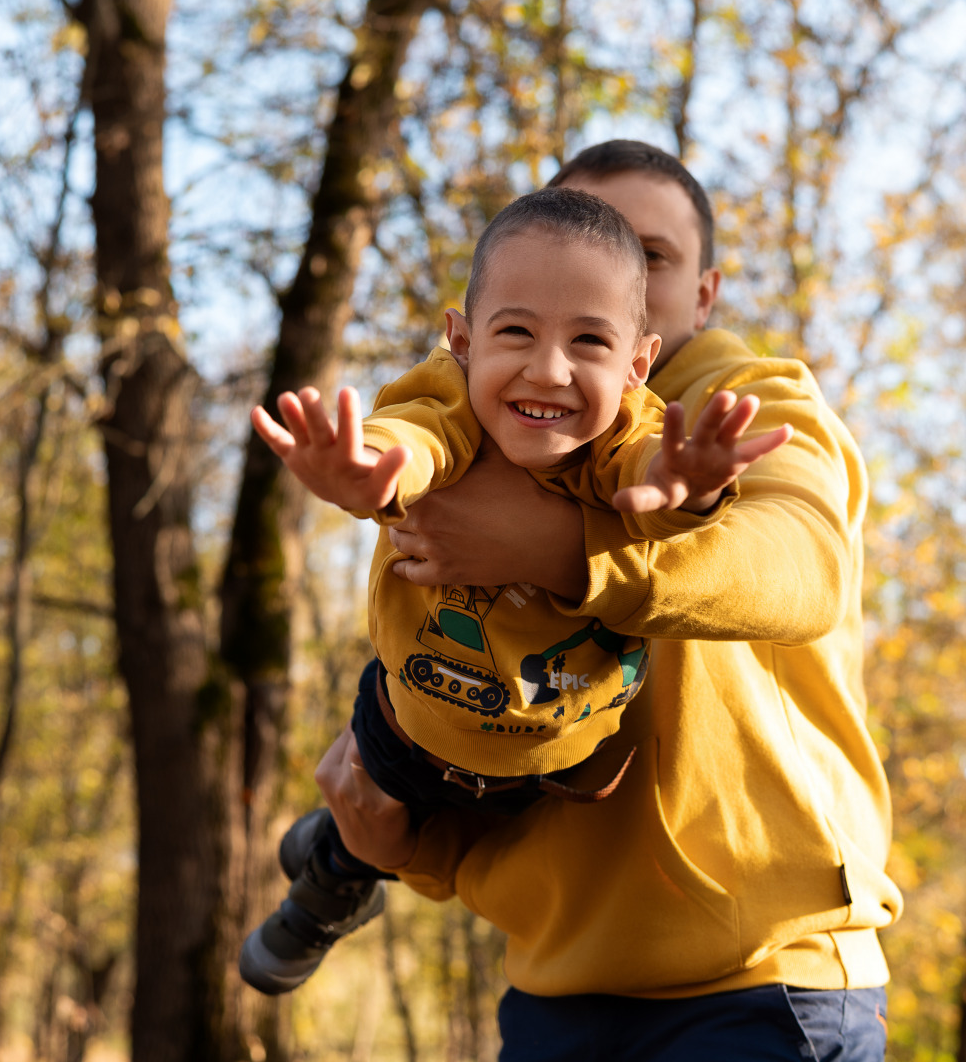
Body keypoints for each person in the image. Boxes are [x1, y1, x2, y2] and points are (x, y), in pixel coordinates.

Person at [316, 141, 902, 1061]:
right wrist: (408, 844)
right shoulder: (476, 437)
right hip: (556, 989)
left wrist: (563, 551)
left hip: (761, 978)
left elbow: (801, 571)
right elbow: (499, 726)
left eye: (648, 252)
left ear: (697, 298)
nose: (602, 262)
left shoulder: (749, 405)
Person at [239, 187, 788, 994]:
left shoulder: (631, 430)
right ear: (461, 341)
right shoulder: (451, 404)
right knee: (370, 821)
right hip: (415, 722)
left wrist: (687, 485)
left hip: (564, 761)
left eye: (589, 342)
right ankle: (328, 890)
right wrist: (368, 472)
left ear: (637, 364)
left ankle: (337, 835)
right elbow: (415, 438)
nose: (549, 369)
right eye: (516, 333)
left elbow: (643, 475)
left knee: (421, 822)